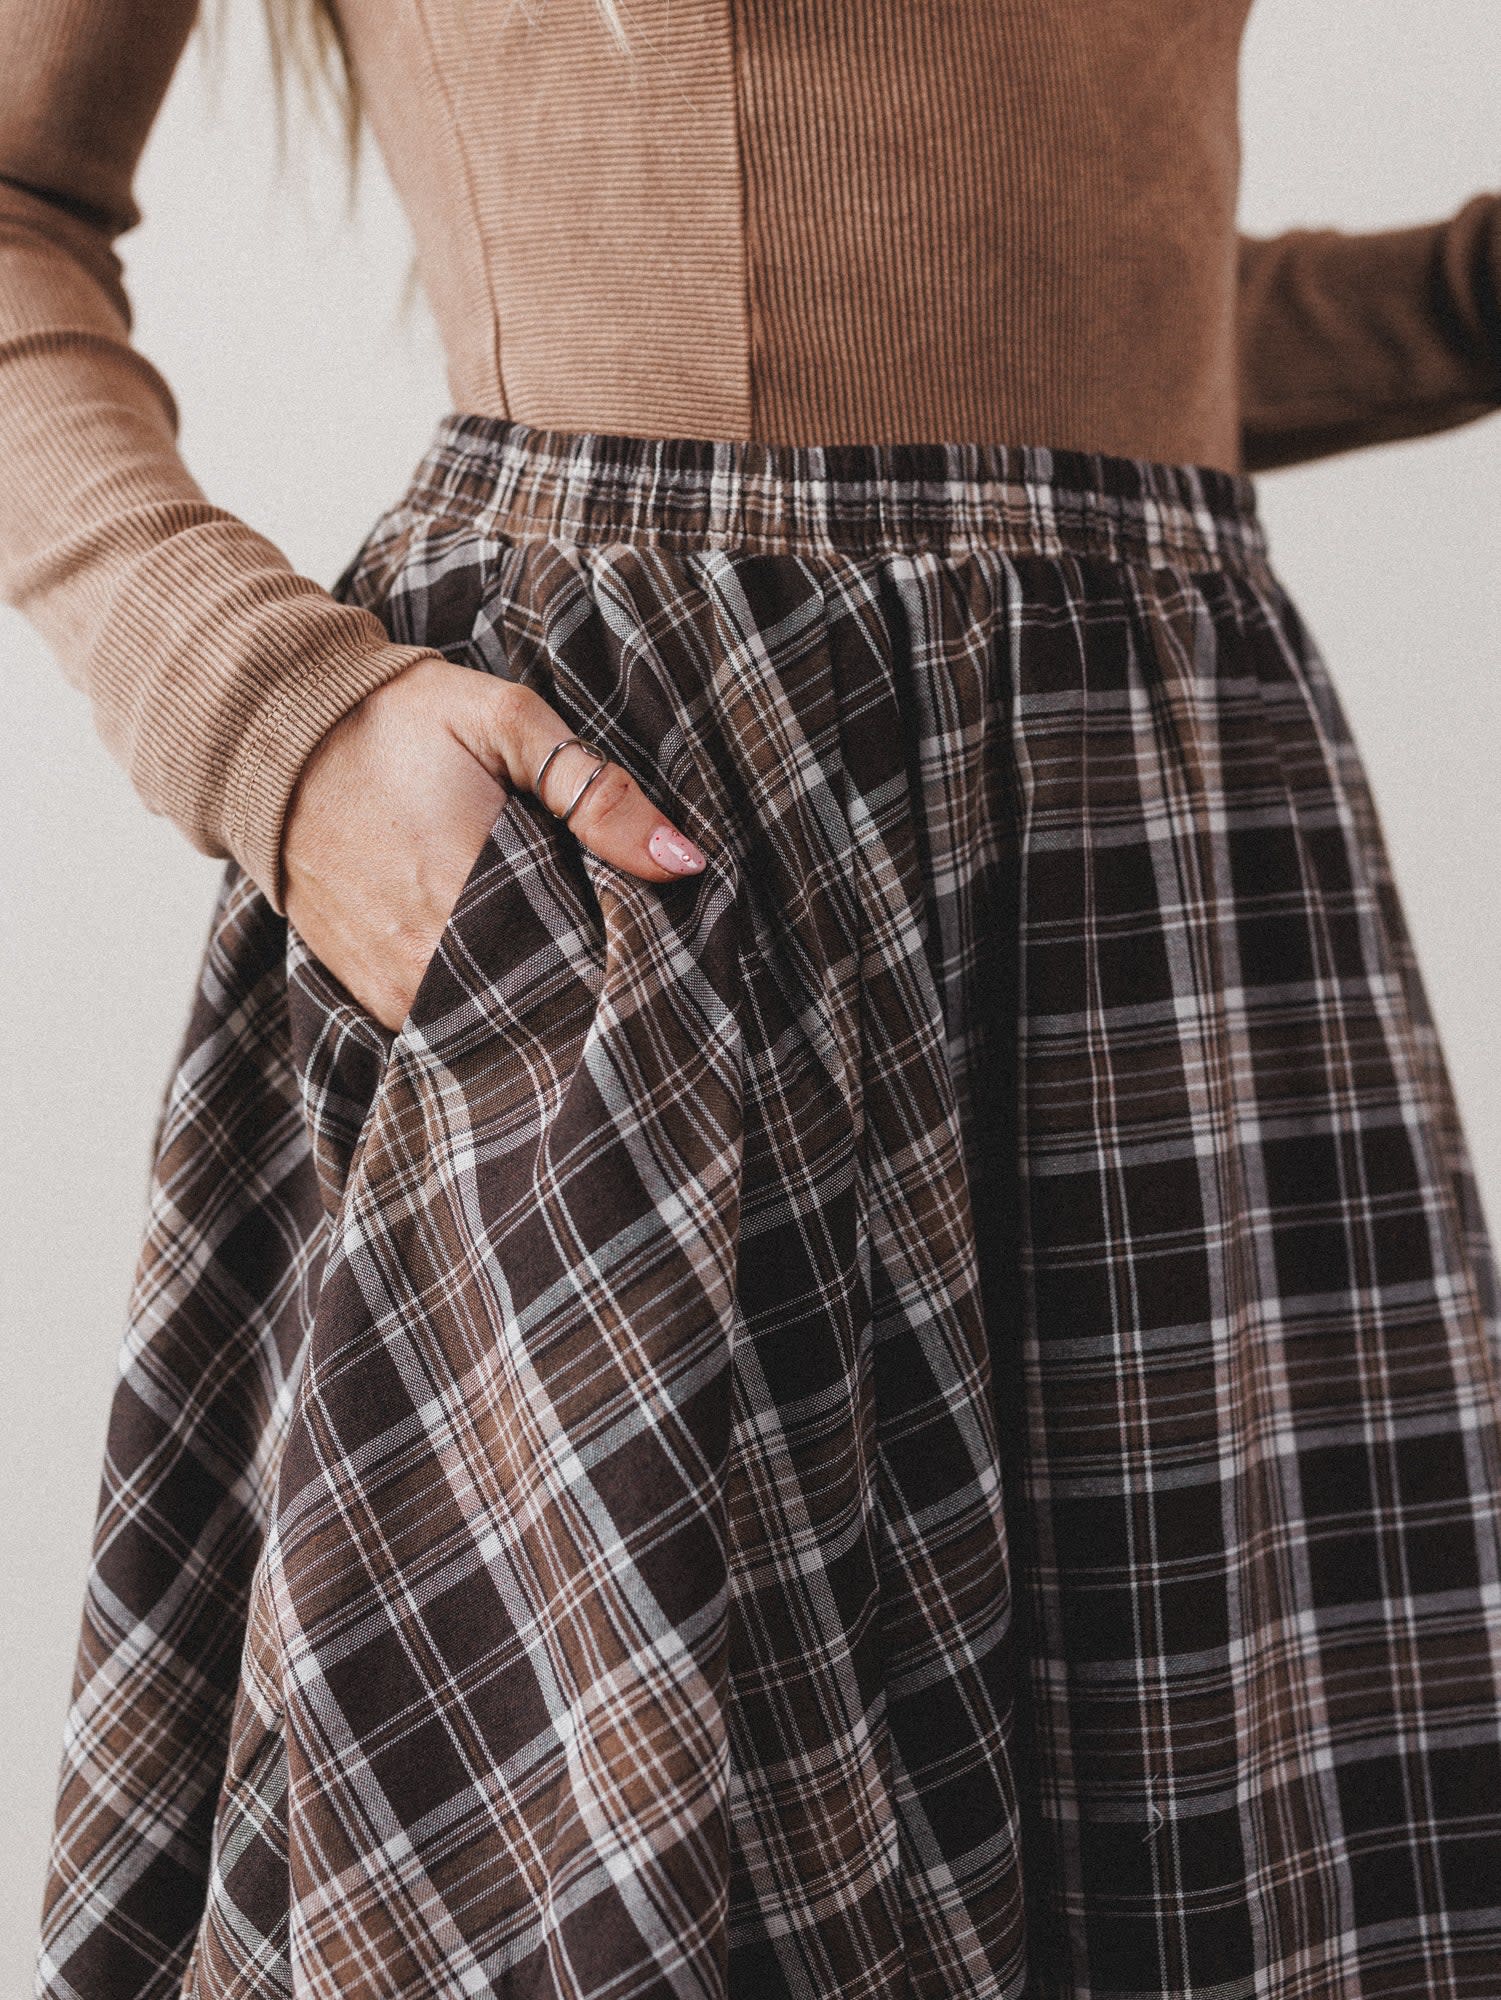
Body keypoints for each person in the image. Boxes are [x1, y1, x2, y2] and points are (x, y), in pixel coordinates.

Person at [7, 1, 1501, 1995]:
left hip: (1167, 867)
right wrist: (266, 715)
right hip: (658, 860)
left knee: (1212, 1853)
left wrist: (1464, 296)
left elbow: (1024, 281)